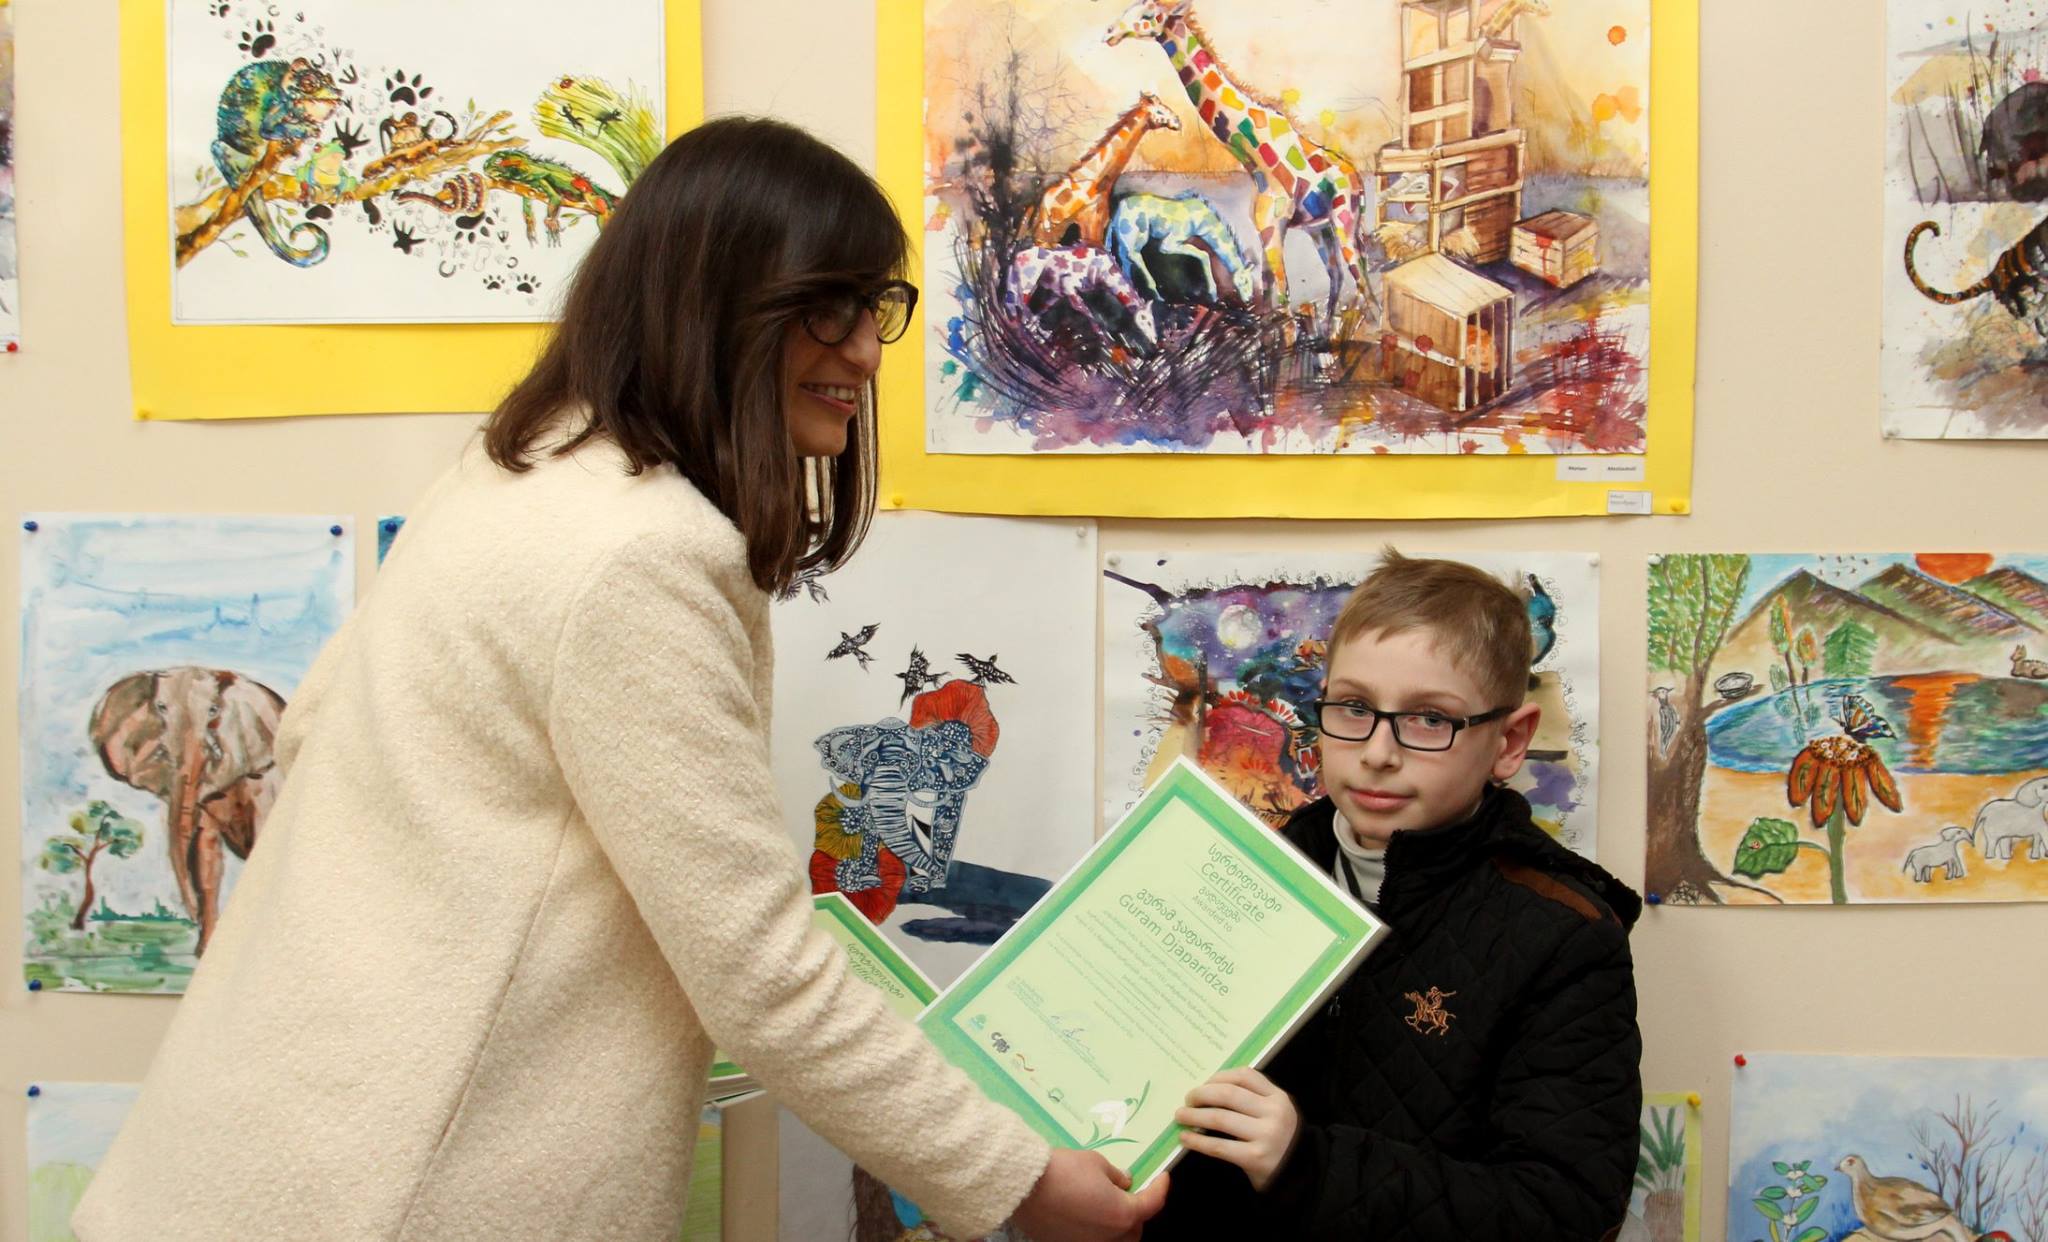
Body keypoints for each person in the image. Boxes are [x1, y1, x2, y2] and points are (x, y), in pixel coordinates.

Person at [75, 118, 1164, 1242]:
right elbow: (762, 976)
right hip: (394, 1192)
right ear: (716, 304)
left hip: (242, 1160)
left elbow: (307, 735)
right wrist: (1016, 1180)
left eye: (873, 307)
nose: (865, 354)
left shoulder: (512, 473)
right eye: (828, 309)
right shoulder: (638, 557)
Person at [1146, 551, 1641, 1240]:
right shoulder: (1240, 874)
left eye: (1430, 719)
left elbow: (1564, 1210)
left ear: (1509, 742)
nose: (1378, 752)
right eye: (1354, 707)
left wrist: (1307, 1166)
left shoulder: (1563, 936)